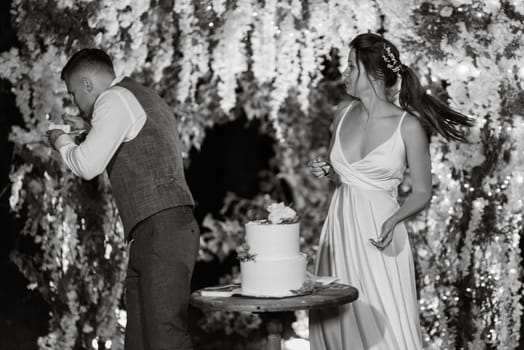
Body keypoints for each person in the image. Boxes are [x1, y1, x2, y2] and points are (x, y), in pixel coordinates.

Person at [308, 33, 473, 349]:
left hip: (381, 233)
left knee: (386, 326)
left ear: (374, 75)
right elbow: (342, 172)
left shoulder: (408, 125)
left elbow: (423, 191)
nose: (344, 73)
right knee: (337, 323)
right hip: (339, 230)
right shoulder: (342, 113)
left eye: (351, 67)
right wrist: (325, 169)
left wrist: (394, 220)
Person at [47, 48, 199, 350]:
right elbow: (130, 137)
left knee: (165, 337)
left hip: (161, 230)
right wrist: (89, 130)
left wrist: (59, 140)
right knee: (140, 341)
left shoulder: (112, 99)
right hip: (153, 232)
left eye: (74, 94)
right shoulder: (135, 96)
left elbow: (87, 166)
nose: (76, 103)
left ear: (88, 85)